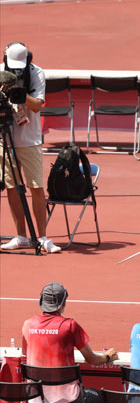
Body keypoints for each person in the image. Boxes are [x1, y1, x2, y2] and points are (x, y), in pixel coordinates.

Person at [21, 281, 119, 403]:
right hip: (68, 398)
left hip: (35, 398)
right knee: (98, 398)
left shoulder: (27, 325)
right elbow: (92, 359)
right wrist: (107, 357)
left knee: (46, 397)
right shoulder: (70, 326)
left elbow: (26, 355)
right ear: (62, 303)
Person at [0, 43, 61, 253]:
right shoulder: (0, 72)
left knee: (35, 187)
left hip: (30, 139)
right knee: (11, 188)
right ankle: (21, 236)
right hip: (6, 140)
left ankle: (42, 237)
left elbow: (37, 105)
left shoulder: (36, 73)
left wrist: (20, 93)